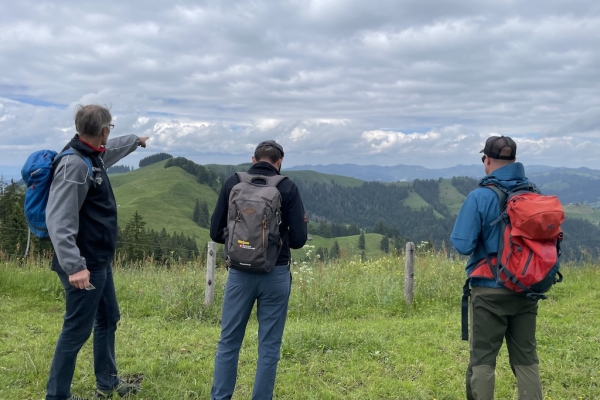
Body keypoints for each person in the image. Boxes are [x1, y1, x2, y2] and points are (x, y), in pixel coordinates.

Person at [45, 104, 149, 400]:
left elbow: (110, 150)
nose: (109, 135)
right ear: (103, 130)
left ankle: (107, 384)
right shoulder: (75, 164)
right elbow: (59, 219)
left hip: (99, 261)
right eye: (109, 129)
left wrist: (134, 140)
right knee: (76, 331)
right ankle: (57, 396)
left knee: (107, 318)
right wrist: (74, 265)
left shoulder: (91, 154)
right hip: (83, 264)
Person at [209, 140, 308, 400]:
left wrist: (242, 242)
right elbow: (298, 240)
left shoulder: (233, 183)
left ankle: (220, 397)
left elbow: (215, 232)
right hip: (275, 273)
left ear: (253, 159)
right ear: (279, 162)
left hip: (239, 275)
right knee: (269, 347)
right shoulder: (287, 187)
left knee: (229, 342)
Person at [451, 136, 543, 400]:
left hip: (489, 290)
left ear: (487, 160)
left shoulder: (480, 196)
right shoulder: (533, 194)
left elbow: (463, 244)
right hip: (527, 288)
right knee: (526, 359)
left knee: (483, 360)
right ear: (514, 160)